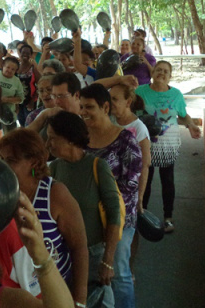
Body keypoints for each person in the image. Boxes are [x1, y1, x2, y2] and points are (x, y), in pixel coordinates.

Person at [0, 129, 88, 306]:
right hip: (18, 297)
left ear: (34, 162)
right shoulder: (1, 195)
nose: (3, 166)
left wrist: (79, 300)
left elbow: (79, 248)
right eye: (2, 159)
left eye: (11, 160)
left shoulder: (55, 194)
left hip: (56, 294)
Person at [47, 111, 123, 308]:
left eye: (53, 138)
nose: (48, 144)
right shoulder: (54, 168)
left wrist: (108, 260)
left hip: (94, 253)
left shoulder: (97, 167)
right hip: (64, 255)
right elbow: (25, 170)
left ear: (70, 139)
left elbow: (114, 214)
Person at [80, 84, 142, 308]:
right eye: (81, 107)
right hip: (88, 219)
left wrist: (102, 208)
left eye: (89, 107)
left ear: (105, 107)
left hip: (120, 220)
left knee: (118, 271)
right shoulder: (80, 139)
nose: (83, 112)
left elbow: (130, 187)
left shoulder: (125, 140)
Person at [135, 61, 201, 233]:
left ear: (170, 76)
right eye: (158, 70)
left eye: (165, 71)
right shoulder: (140, 92)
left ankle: (168, 217)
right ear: (152, 72)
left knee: (168, 181)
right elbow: (132, 114)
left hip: (169, 144)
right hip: (145, 143)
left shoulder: (176, 95)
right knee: (145, 181)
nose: (161, 73)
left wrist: (191, 125)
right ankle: (143, 215)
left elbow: (183, 116)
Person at [109, 84, 151, 213]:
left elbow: (144, 165)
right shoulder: (108, 120)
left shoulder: (139, 129)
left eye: (115, 99)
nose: (110, 103)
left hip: (128, 192)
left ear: (128, 102)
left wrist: (140, 197)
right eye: (109, 98)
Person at [0, 56, 24, 133]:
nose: (9, 70)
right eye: (8, 67)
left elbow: (21, 99)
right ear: (3, 65)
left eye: (13, 69)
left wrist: (7, 99)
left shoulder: (16, 81)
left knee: (10, 138)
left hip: (8, 114)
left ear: (16, 71)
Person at [16, 44, 41, 127]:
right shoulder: (16, 67)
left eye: (28, 53)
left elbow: (40, 84)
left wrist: (33, 101)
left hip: (30, 102)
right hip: (17, 102)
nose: (25, 55)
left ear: (31, 55)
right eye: (23, 52)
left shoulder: (33, 68)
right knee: (21, 124)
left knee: (30, 125)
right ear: (20, 53)